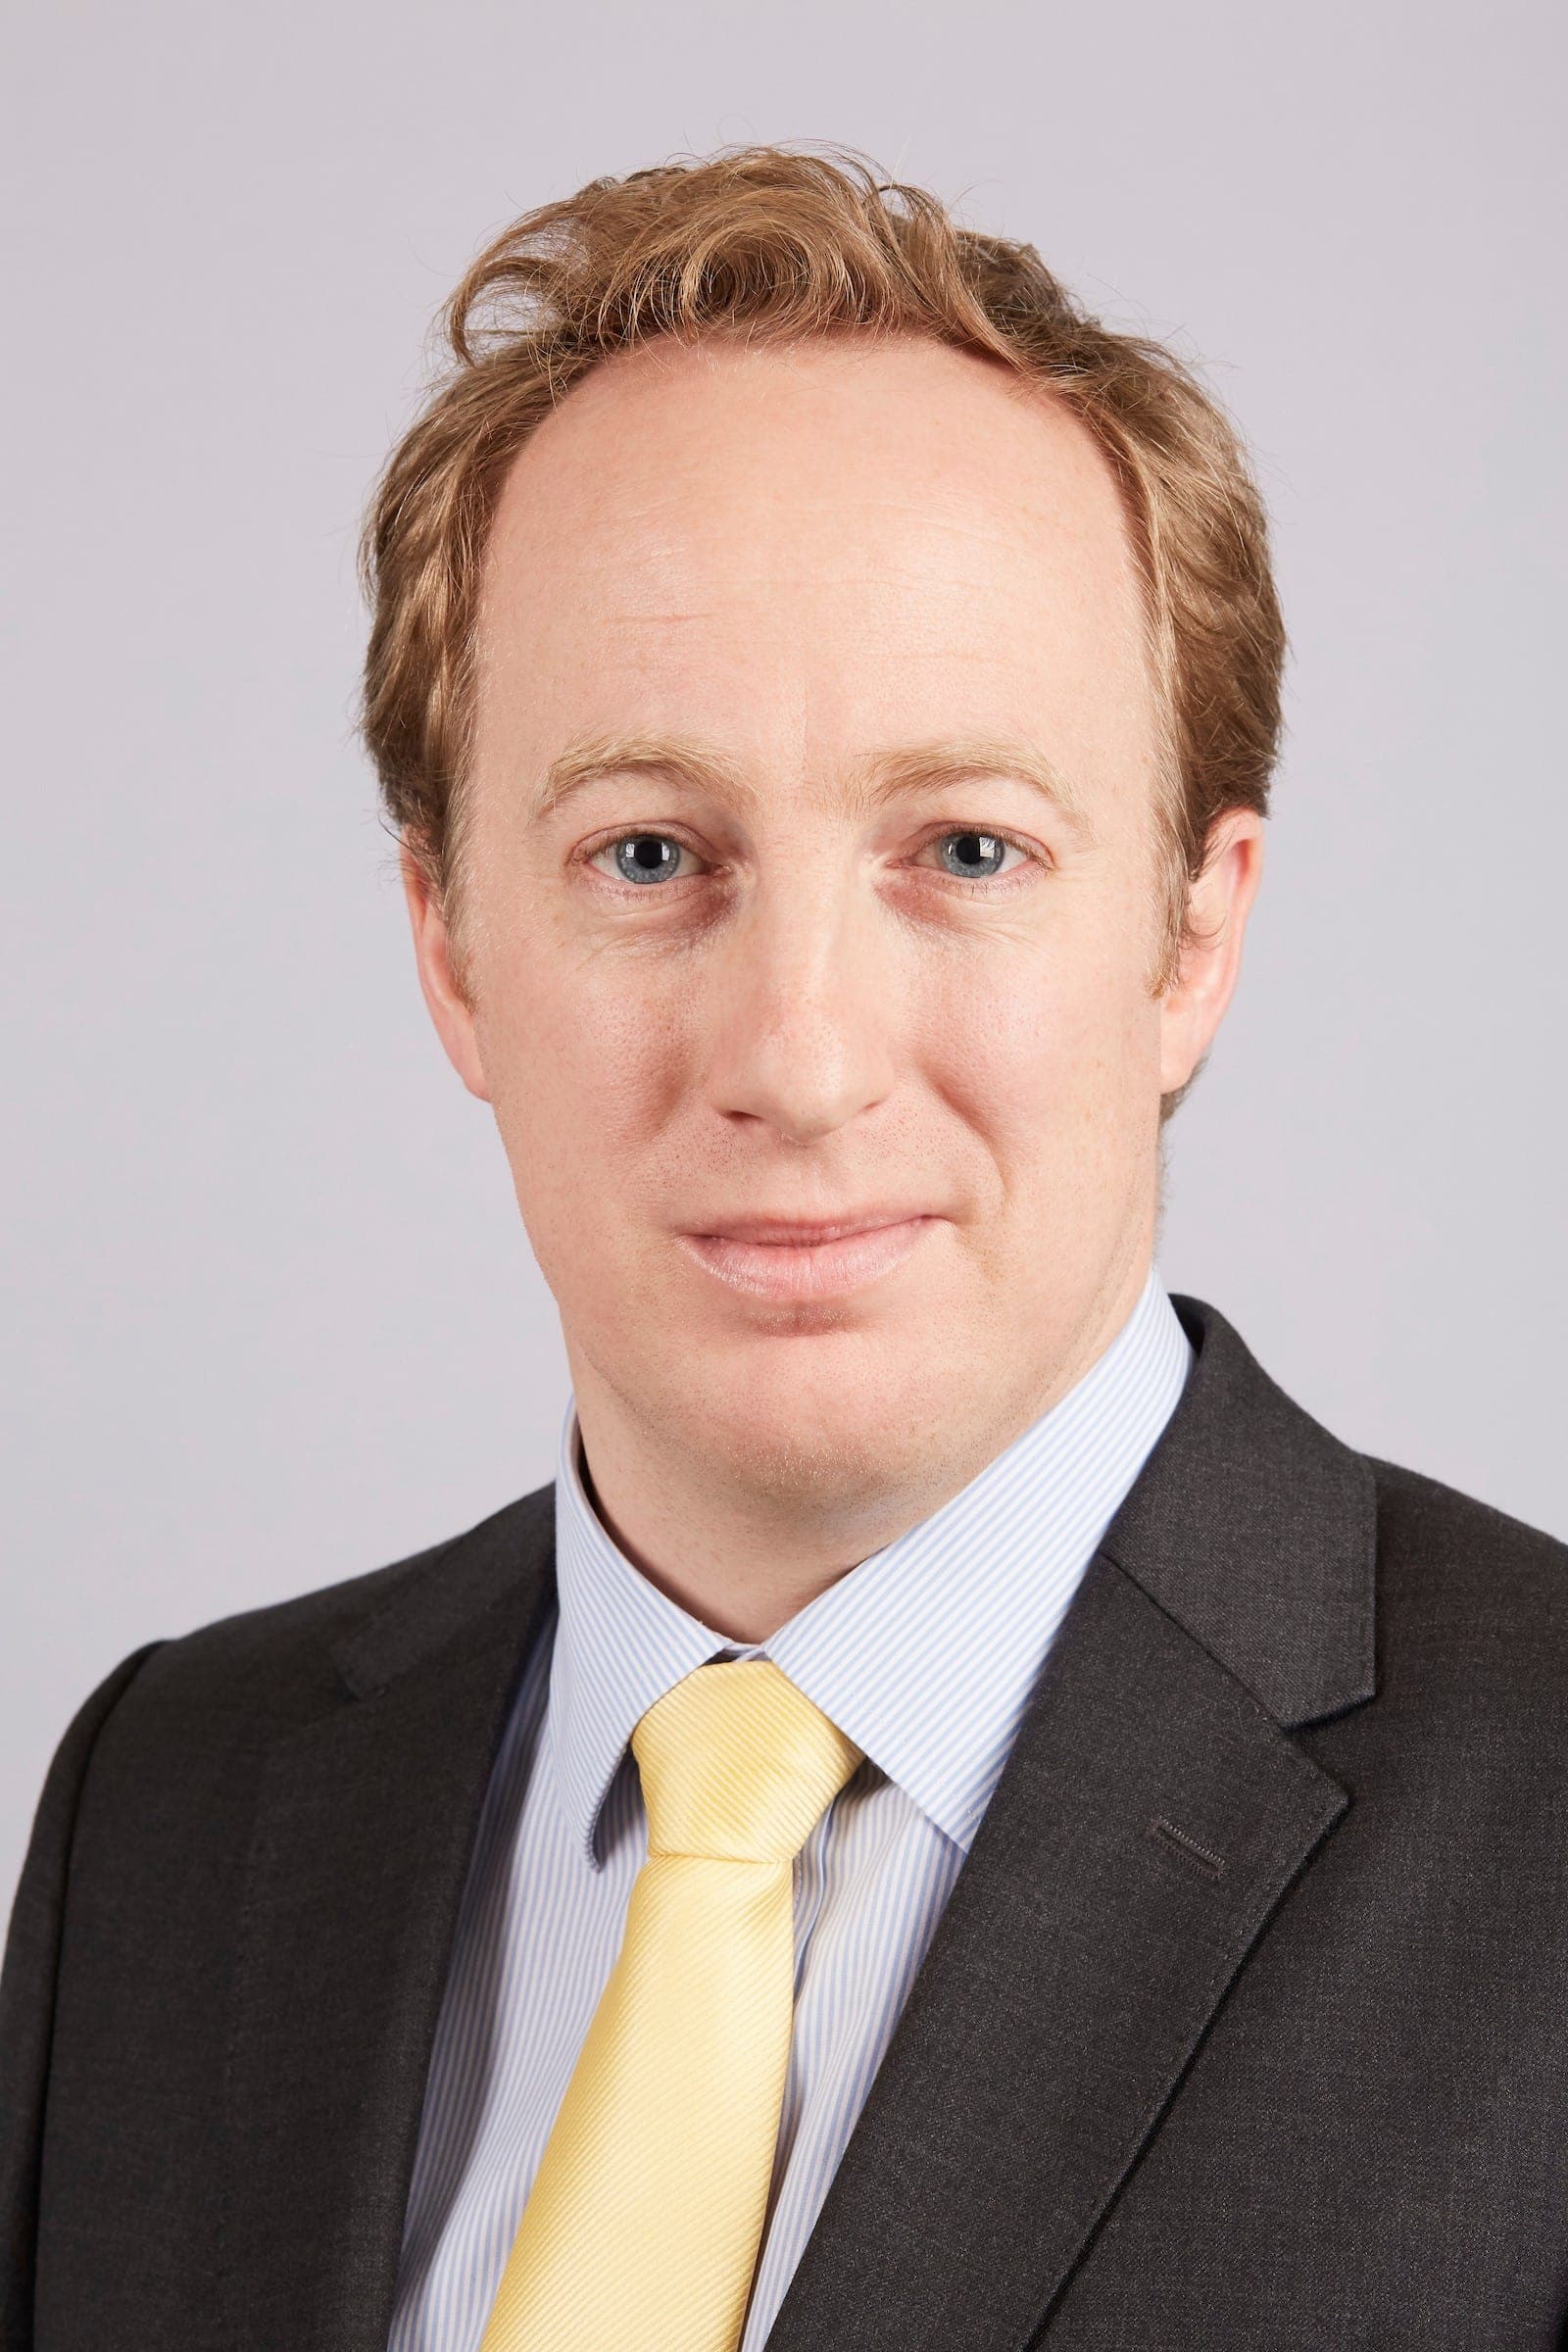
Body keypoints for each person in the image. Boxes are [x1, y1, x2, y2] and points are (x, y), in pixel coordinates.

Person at [2, 143, 1565, 2352]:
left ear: (1191, 937)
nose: (800, 1058)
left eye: (965, 849)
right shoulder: (171, 1811)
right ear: (450, 945)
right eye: (648, 853)